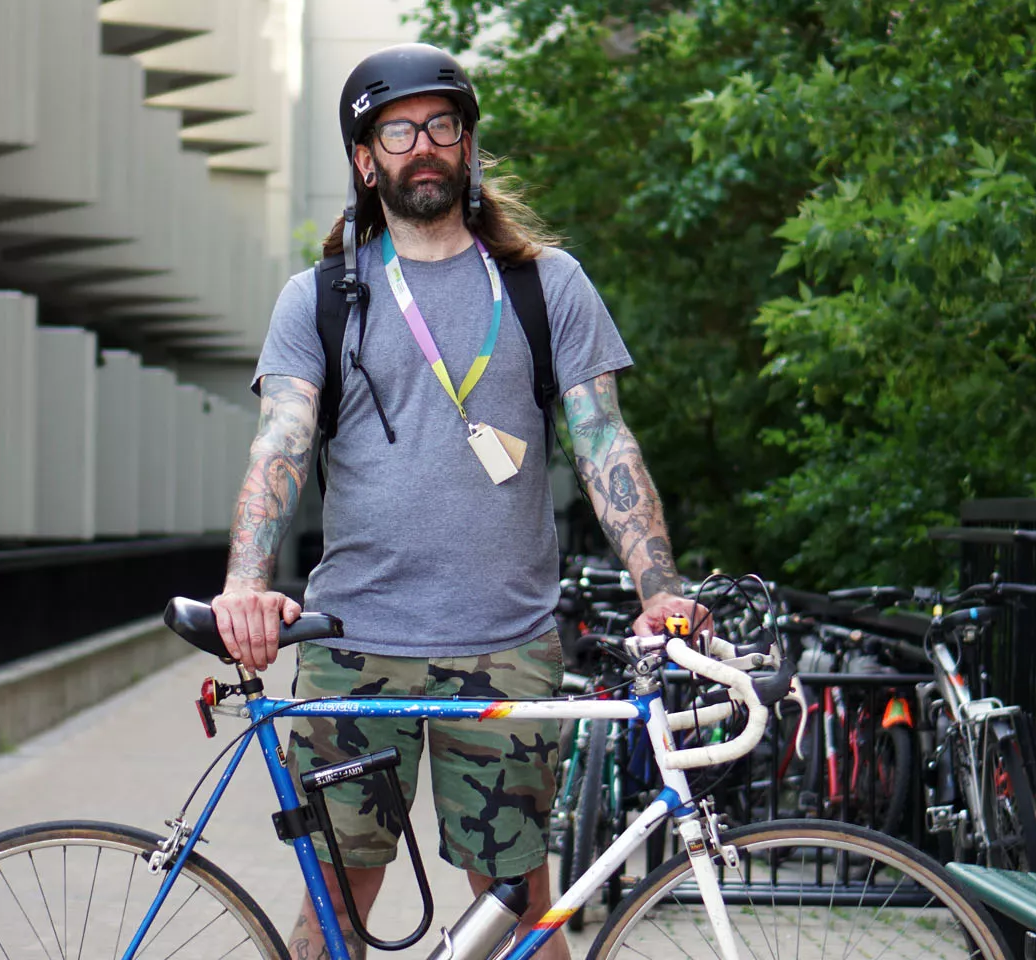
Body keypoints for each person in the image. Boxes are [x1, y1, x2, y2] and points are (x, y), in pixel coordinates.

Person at [211, 42, 700, 960]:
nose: (423, 145)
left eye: (441, 125)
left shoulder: (546, 285)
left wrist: (659, 588)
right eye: (398, 132)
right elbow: (281, 442)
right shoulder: (320, 299)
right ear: (367, 162)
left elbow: (602, 440)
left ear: (467, 145)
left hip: (506, 647)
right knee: (338, 901)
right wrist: (246, 582)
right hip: (353, 646)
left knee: (518, 908)